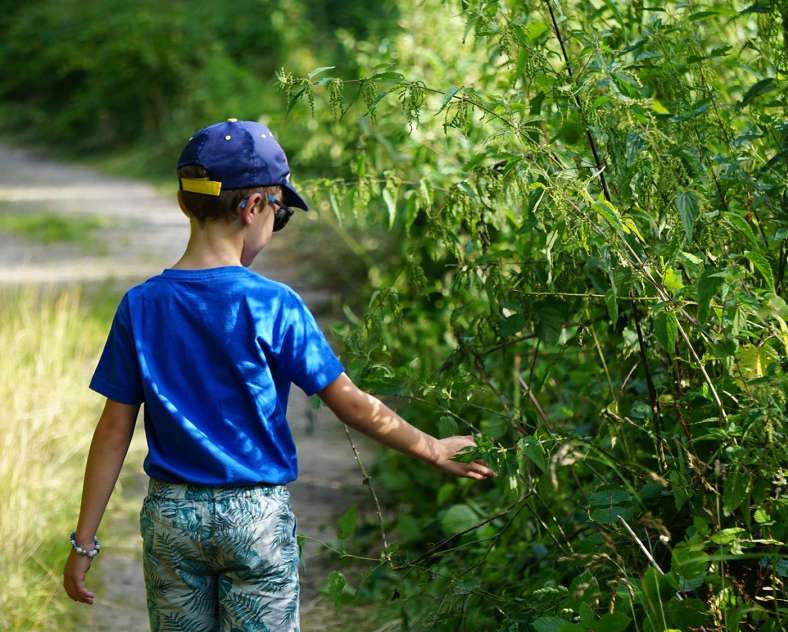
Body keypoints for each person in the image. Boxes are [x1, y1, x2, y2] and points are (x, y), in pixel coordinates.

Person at [62, 119, 498, 630]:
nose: (276, 224)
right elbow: (352, 404)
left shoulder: (141, 305)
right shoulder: (275, 305)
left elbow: (114, 429)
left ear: (185, 204)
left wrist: (85, 540)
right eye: (280, 214)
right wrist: (433, 448)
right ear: (254, 208)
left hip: (172, 516)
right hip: (256, 517)